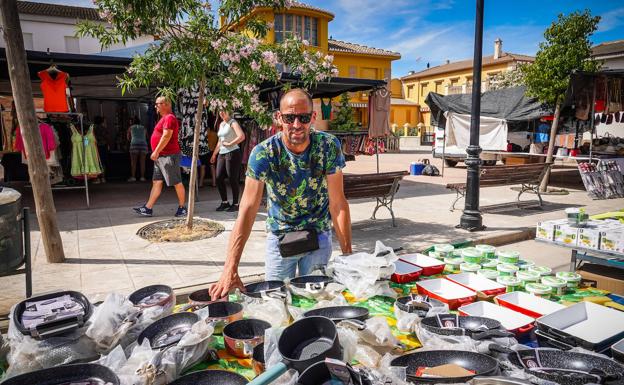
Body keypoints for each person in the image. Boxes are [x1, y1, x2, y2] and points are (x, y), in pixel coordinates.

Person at [209, 89, 353, 299]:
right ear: (279, 118)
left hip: (318, 236)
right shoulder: (263, 153)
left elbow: (338, 203)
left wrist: (348, 256)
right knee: (275, 300)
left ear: (313, 117)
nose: (296, 125)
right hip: (280, 237)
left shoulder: (328, 146)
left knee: (316, 301)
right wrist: (230, 268)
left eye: (303, 118)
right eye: (289, 117)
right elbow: (247, 210)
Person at [133, 96, 187, 217]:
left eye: (158, 104)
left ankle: (182, 207)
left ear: (166, 104)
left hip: (168, 156)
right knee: (157, 182)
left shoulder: (169, 118)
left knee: (176, 182)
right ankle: (148, 208)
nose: (155, 106)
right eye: (156, 104)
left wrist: (156, 151)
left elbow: (166, 136)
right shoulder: (165, 118)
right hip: (161, 156)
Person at [211, 110, 245, 212]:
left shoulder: (233, 122)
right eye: (220, 112)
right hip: (222, 153)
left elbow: (242, 136)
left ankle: (235, 204)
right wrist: (214, 154)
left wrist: (230, 143)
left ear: (229, 112)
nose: (221, 113)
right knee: (218, 177)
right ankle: (225, 202)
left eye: (223, 112)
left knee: (232, 178)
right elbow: (220, 141)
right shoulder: (221, 124)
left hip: (233, 152)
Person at [127, 117, 147, 182]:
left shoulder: (130, 128)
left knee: (133, 162)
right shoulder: (144, 128)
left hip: (134, 145)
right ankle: (142, 177)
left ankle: (133, 177)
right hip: (143, 145)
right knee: (142, 162)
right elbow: (147, 136)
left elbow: (128, 138)